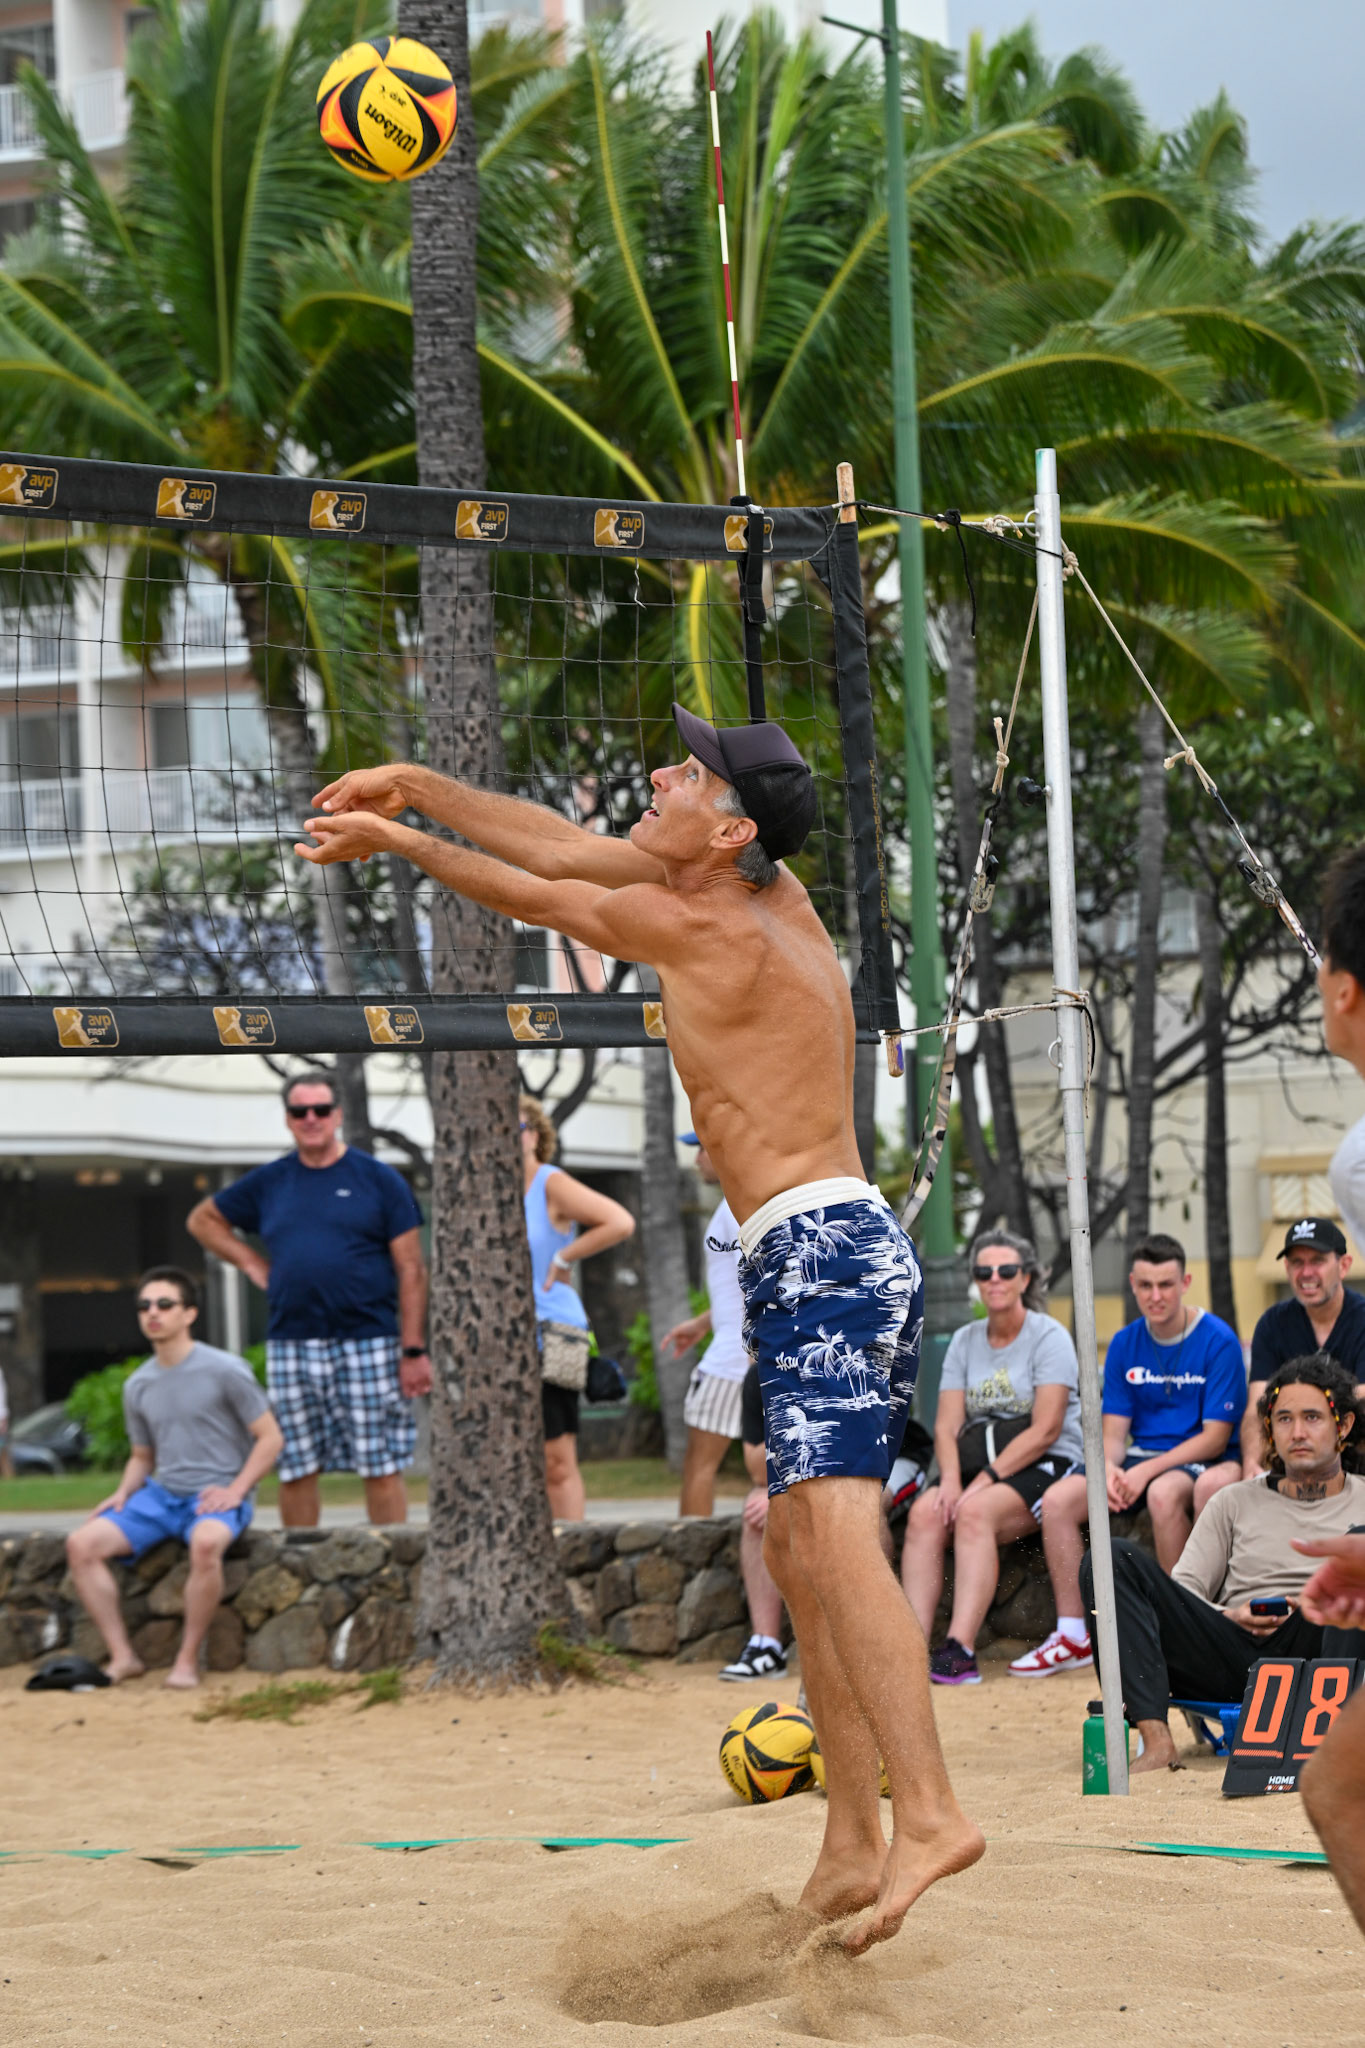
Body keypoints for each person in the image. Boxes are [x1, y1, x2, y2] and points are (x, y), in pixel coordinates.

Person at [296, 705, 984, 1953]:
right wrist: (405, 779)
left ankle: (928, 1810)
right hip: (815, 1246)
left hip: (822, 1246)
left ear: (728, 827)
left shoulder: (697, 920)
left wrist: (402, 839)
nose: (663, 767)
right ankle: (848, 1837)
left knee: (833, 1525)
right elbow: (560, 842)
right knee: (799, 1533)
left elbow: (533, 888)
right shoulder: (756, 886)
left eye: (689, 766)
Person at [1079, 1351, 1365, 1773]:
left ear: (1343, 1424)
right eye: (1284, 1419)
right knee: (1110, 1556)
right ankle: (1157, 1741)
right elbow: (1184, 1592)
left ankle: (1341, 1745)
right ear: (1268, 1428)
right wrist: (1228, 1614)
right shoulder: (1233, 1501)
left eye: (1313, 1417)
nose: (1297, 1432)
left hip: (1323, 1654)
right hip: (1233, 1654)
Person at [187, 1072, 432, 1528]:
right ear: (288, 1119)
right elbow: (204, 1220)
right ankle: (302, 1569)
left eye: (321, 1109)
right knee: (296, 1466)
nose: (312, 1119)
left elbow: (412, 1269)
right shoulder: (270, 1182)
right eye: (301, 1111)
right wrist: (251, 1263)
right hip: (292, 1343)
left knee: (380, 1465)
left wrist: (413, 1349)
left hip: (370, 1340)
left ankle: (392, 1570)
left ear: (338, 1115)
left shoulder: (379, 1180)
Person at [1009, 1232, 1244, 1678]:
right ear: (1133, 1284)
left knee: (1163, 1493)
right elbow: (1114, 1432)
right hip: (1139, 1457)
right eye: (1146, 1286)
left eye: (1167, 1285)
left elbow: (1215, 1438)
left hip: (1199, 1457)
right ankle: (1073, 1631)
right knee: (1059, 1501)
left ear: (1186, 1282)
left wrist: (1144, 1473)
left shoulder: (1219, 1341)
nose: (1156, 1296)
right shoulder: (1123, 1342)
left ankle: (1183, 1621)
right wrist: (1111, 1469)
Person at [65, 1268, 283, 1688]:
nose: (153, 1313)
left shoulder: (226, 1370)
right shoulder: (138, 1384)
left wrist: (237, 1491)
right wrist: (123, 1492)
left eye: (165, 1305)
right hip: (161, 1496)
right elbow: (142, 1456)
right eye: (145, 1306)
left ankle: (186, 1661)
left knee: (205, 1545)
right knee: (81, 1544)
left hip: (215, 1495)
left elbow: (270, 1439)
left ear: (190, 1314)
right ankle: (124, 1657)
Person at [901, 1230, 1084, 1685]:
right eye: (984, 1272)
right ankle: (906, 1646)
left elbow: (1046, 1429)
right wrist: (948, 1482)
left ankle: (959, 1651)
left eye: (1007, 1271)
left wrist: (982, 1481)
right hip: (977, 1465)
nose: (995, 1279)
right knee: (926, 1514)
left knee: (975, 1513)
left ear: (1026, 1279)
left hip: (1046, 1463)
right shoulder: (964, 1341)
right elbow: (945, 1424)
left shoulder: (1049, 1336)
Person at [1195, 1217, 1365, 1513]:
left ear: (1344, 1264)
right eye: (1297, 1262)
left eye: (1317, 1260)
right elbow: (1257, 1407)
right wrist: (1252, 1462)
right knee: (1222, 1489)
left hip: (1354, 1452)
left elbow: (1360, 1406)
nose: (1306, 1272)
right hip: (1291, 1456)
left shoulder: (1361, 1318)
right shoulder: (1273, 1324)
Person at [520, 1093, 635, 1521]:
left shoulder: (548, 1182)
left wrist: (563, 1257)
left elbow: (620, 1221)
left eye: (514, 1130)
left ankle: (567, 1553)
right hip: (500, 1338)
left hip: (552, 1332)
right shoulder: (480, 1191)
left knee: (556, 1457)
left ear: (534, 1135)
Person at [659, 1133, 750, 1518]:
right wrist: (701, 1323)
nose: (696, 1159)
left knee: (699, 1465)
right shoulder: (735, 1205)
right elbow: (745, 1286)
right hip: (738, 1351)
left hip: (732, 1360)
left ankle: (688, 1551)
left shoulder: (739, 1207)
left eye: (701, 1149)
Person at [718, 1361, 791, 1681]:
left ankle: (862, 1644)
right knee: (757, 1508)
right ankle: (767, 1646)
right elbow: (755, 1466)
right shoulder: (761, 1372)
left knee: (863, 1512)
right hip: (794, 1478)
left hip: (880, 1464)